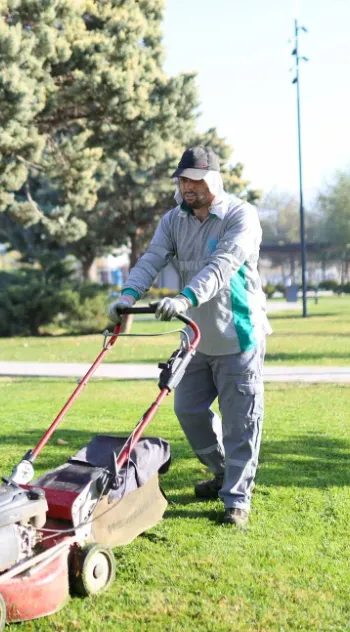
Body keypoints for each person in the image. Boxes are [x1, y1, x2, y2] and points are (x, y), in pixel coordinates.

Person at [107, 145, 271, 527]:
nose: (188, 187)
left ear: (212, 180)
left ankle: (237, 498)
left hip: (238, 336)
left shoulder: (240, 216)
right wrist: (126, 296)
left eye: (195, 180)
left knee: (241, 421)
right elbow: (152, 260)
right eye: (183, 180)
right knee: (188, 410)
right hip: (196, 338)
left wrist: (185, 298)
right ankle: (221, 473)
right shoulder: (173, 220)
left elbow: (223, 265)